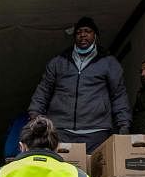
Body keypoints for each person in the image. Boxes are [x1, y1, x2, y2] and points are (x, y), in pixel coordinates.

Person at [28, 16, 131, 153]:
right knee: (61, 172)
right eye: (79, 32)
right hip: (61, 129)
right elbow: (43, 90)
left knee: (94, 173)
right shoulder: (58, 62)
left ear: (96, 35)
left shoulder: (109, 62)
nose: (83, 35)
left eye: (87, 31)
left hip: (96, 131)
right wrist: (35, 114)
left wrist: (124, 124)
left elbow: (118, 94)